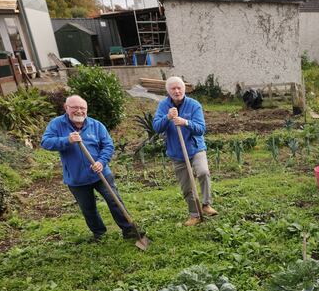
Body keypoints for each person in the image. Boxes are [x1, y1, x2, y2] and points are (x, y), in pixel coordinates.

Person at [41, 95, 138, 242]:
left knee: (114, 200)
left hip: (101, 174)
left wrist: (101, 161)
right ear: (66, 108)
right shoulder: (57, 124)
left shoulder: (96, 125)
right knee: (88, 208)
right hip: (76, 177)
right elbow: (46, 142)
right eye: (74, 108)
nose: (79, 111)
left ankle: (129, 230)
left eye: (82, 108)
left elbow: (108, 145)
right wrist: (67, 140)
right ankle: (99, 234)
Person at [153, 76, 216, 226]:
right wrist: (167, 117)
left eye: (179, 88)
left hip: (195, 148)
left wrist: (185, 122)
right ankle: (194, 214)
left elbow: (201, 129)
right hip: (177, 152)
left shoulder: (194, 105)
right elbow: (156, 127)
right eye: (173, 89)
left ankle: (206, 204)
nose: (176, 91)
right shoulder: (163, 106)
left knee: (203, 172)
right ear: (168, 91)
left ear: (184, 89)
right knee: (186, 186)